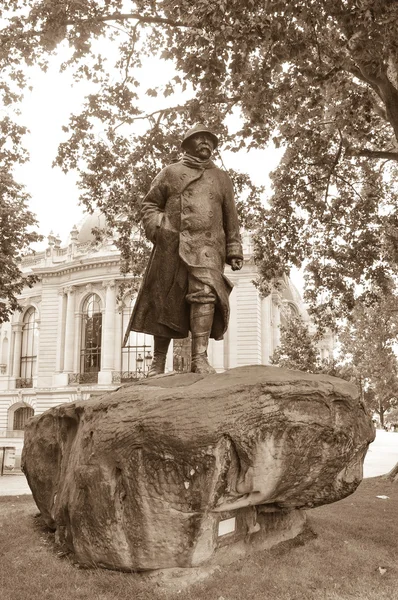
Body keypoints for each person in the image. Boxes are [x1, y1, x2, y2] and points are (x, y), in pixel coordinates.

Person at [124, 123, 243, 375]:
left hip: (208, 247)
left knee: (205, 294)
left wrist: (235, 248)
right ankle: (157, 362)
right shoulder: (169, 173)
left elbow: (231, 215)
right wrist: (159, 227)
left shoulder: (222, 178)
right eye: (199, 139)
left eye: (210, 140)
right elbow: (150, 205)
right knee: (164, 301)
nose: (206, 143)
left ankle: (199, 358)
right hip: (172, 246)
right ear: (187, 143)